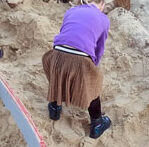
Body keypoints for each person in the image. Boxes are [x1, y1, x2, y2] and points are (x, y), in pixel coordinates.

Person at [42, 0, 111, 139]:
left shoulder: (71, 11)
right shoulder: (104, 19)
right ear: (102, 4)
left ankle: (54, 109)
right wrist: (92, 69)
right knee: (93, 85)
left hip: (56, 55)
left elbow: (65, 33)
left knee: (58, 77)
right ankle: (97, 124)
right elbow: (99, 49)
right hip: (80, 58)